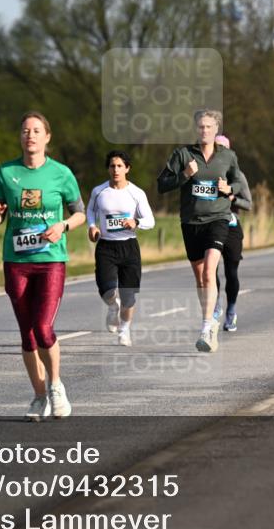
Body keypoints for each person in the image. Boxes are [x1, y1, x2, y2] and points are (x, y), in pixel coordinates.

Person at [0, 111, 85, 421]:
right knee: (27, 334)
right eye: (26, 130)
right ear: (20, 137)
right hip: (16, 262)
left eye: (36, 130)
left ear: (47, 137)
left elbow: (80, 212)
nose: (30, 135)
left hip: (50, 260)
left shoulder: (61, 173)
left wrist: (63, 226)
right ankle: (39, 396)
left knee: (43, 328)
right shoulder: (5, 172)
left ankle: (55, 386)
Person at [157, 109, 242, 353]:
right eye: (200, 127)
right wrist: (185, 174)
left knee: (209, 271)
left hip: (218, 218)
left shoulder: (228, 156)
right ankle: (212, 314)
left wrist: (228, 188)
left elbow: (238, 182)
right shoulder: (183, 154)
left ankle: (206, 327)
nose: (204, 131)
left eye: (208, 127)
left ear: (216, 130)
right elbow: (162, 184)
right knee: (199, 277)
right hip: (191, 222)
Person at [86, 150, 155, 347]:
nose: (116, 170)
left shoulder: (136, 193)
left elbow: (150, 220)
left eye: (119, 166)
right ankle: (111, 306)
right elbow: (90, 211)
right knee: (106, 289)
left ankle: (124, 330)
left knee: (129, 295)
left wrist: (136, 221)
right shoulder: (99, 191)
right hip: (106, 246)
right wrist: (92, 226)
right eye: (112, 166)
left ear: (127, 168)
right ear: (108, 169)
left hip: (129, 247)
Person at [211, 135, 252, 332]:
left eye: (223, 148)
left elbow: (249, 204)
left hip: (232, 228)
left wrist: (232, 197)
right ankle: (216, 305)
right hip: (210, 226)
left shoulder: (238, 176)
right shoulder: (207, 173)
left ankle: (231, 310)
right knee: (211, 270)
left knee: (231, 272)